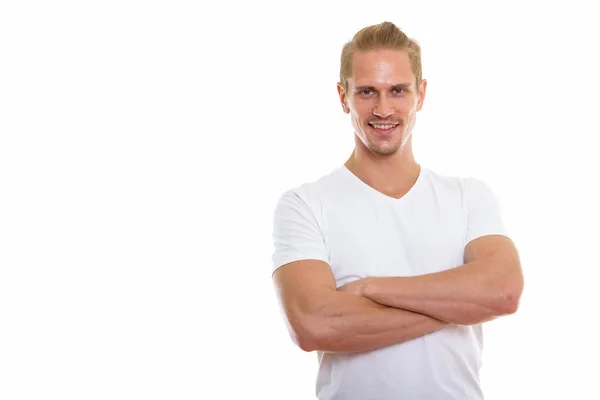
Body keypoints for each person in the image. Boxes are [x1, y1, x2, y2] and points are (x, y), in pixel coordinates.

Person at [270, 21, 524, 400]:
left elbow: (503, 293)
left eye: (398, 91)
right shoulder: (305, 204)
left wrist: (371, 288)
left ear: (421, 95)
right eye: (367, 92)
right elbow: (313, 324)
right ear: (343, 97)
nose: (383, 109)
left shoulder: (469, 196)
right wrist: (458, 304)